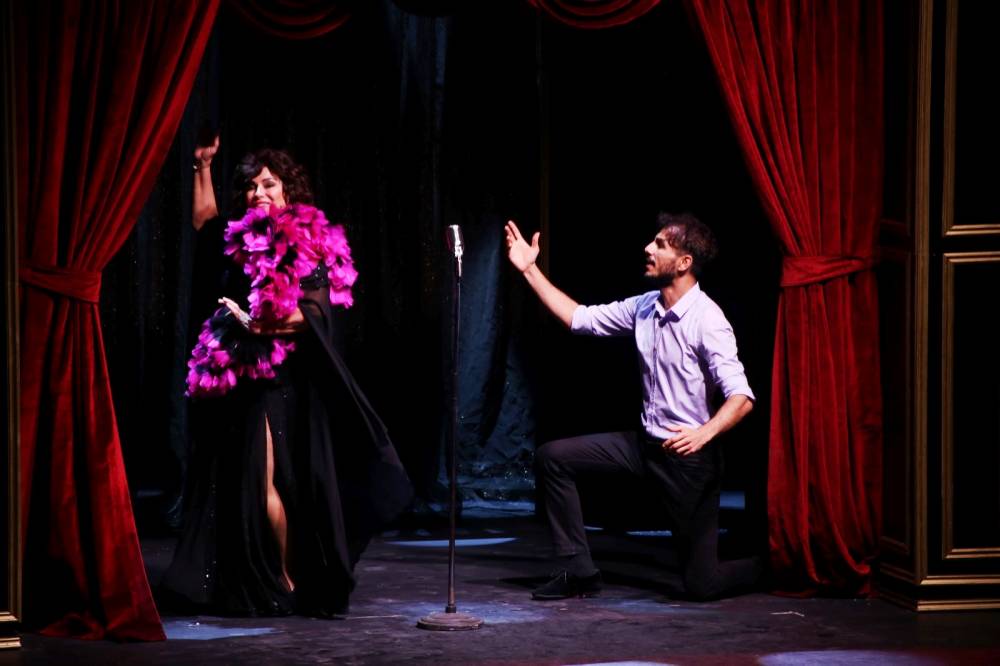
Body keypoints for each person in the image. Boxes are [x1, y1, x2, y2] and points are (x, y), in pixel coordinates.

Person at [161, 139, 412, 617]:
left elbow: (312, 313)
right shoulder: (238, 239)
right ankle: (262, 574)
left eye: (269, 184)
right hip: (238, 376)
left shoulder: (306, 239)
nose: (258, 193)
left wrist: (261, 325)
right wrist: (202, 165)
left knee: (271, 479)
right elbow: (205, 223)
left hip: (283, 378)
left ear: (287, 191)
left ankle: (285, 577)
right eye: (251, 186)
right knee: (245, 479)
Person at [504, 213, 761, 601]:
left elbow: (742, 397)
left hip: (687, 459)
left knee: (702, 584)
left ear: (684, 262)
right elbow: (580, 319)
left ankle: (769, 565)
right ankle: (579, 573)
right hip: (643, 447)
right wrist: (529, 270)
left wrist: (703, 434)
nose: (647, 248)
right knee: (553, 458)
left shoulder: (708, 321)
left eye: (660, 244)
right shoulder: (645, 307)